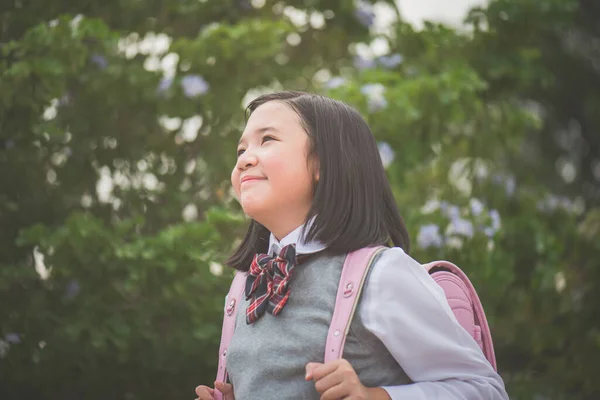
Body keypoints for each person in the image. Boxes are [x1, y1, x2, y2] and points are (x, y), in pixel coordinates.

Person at [195, 91, 509, 400]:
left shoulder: (382, 274)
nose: (245, 160)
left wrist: (373, 396)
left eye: (268, 140)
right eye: (241, 150)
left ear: (322, 164)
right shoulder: (243, 286)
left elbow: (484, 390)